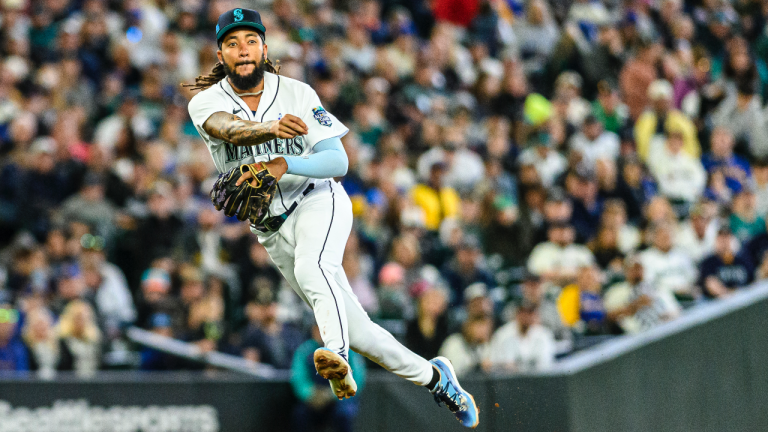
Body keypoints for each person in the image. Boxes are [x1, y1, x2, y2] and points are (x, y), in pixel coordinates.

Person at [185, 9, 478, 426]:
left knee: (312, 267)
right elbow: (229, 129)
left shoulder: (298, 92)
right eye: (232, 43)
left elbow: (337, 160)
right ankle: (435, 378)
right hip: (271, 231)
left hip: (317, 200)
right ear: (220, 54)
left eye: (250, 40)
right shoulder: (206, 101)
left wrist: (285, 164)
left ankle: (337, 360)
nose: (242, 49)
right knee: (362, 332)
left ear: (265, 48)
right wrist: (271, 131)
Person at [291, 324, 366, 432]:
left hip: (340, 400)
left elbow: (357, 379)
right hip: (313, 400)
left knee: (343, 415)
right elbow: (299, 378)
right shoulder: (305, 350)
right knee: (300, 415)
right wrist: (310, 394)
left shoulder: (347, 351)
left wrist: (331, 395)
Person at [603, 256, 680, 334]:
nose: (637, 272)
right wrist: (635, 305)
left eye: (639, 268)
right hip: (633, 335)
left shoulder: (657, 287)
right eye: (633, 269)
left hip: (664, 328)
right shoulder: (616, 291)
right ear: (625, 270)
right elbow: (609, 317)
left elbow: (674, 310)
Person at [488, 303, 555, 373]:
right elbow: (495, 362)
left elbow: (546, 363)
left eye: (529, 313)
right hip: (508, 379)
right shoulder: (503, 334)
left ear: (534, 315)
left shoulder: (544, 334)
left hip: (537, 379)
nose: (526, 317)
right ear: (517, 315)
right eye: (523, 313)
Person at [699, 227, 754, 299]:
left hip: (744, 299)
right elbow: (710, 284)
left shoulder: (742, 260)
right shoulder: (709, 262)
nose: (724, 242)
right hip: (720, 302)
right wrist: (729, 295)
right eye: (721, 238)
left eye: (726, 237)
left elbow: (753, 280)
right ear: (716, 240)